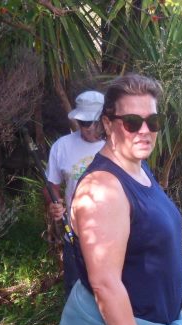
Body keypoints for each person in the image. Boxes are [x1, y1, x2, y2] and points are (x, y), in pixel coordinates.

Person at [45, 73, 182, 325]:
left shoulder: (138, 168)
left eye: (153, 121)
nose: (144, 130)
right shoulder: (104, 187)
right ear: (109, 124)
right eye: (132, 122)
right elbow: (105, 283)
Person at [44, 90, 105, 297]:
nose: (89, 128)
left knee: (113, 293)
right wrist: (54, 203)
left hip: (113, 235)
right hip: (75, 236)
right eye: (84, 123)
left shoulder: (118, 146)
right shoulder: (62, 147)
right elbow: (51, 184)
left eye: (94, 122)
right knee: (76, 292)